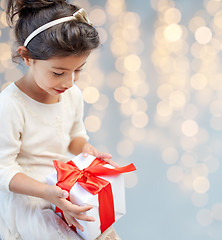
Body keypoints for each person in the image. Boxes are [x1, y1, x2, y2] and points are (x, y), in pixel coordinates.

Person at [0, 0, 120, 239]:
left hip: (65, 189)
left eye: (78, 70)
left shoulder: (72, 95)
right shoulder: (10, 105)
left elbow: (73, 139)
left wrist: (87, 150)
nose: (69, 82)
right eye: (58, 73)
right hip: (31, 197)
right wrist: (47, 192)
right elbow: (3, 169)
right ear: (26, 57)